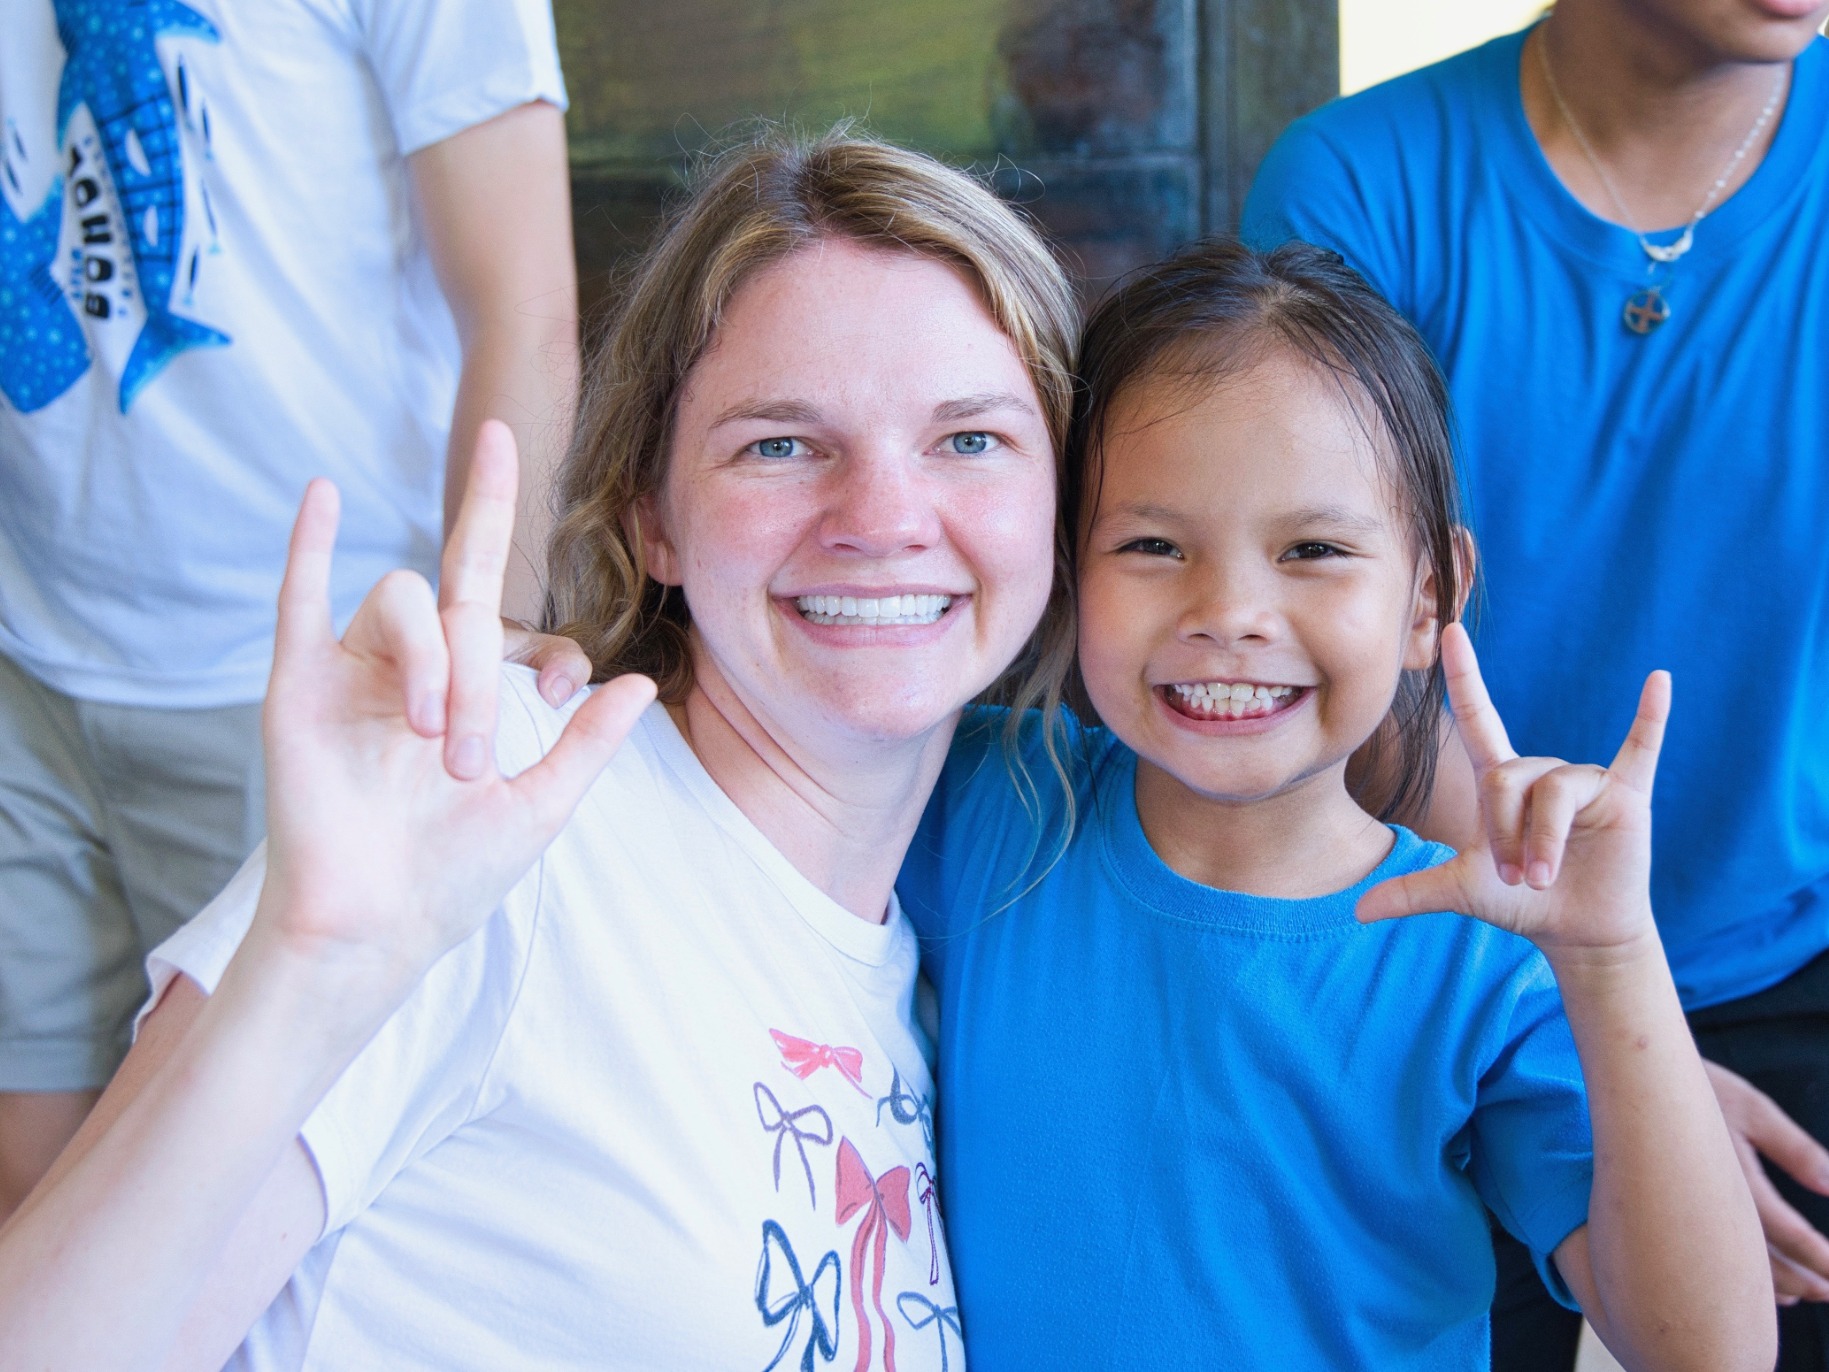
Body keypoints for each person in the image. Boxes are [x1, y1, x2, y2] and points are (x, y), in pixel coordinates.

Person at [0, 130, 1077, 1371]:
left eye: (970, 440)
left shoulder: (931, 971)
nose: (883, 519)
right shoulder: (493, 806)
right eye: (779, 444)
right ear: (648, 515)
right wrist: (308, 969)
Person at [896, 239, 1772, 1370]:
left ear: (1428, 596)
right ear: (1069, 570)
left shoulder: (1474, 961)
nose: (1230, 612)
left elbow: (1706, 1352)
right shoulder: (984, 800)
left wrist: (1612, 955)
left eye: (1310, 549)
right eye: (1152, 545)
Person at [1239, 1, 1829, 1364]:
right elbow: (1322, 631)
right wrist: (1628, 1044)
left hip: (1789, 950)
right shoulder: (1358, 184)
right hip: (1450, 926)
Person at [0, 0, 580, 1216]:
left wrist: (483, 670)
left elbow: (523, 310)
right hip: (26, 655)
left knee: (272, 1225)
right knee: (33, 1192)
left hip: (311, 687)